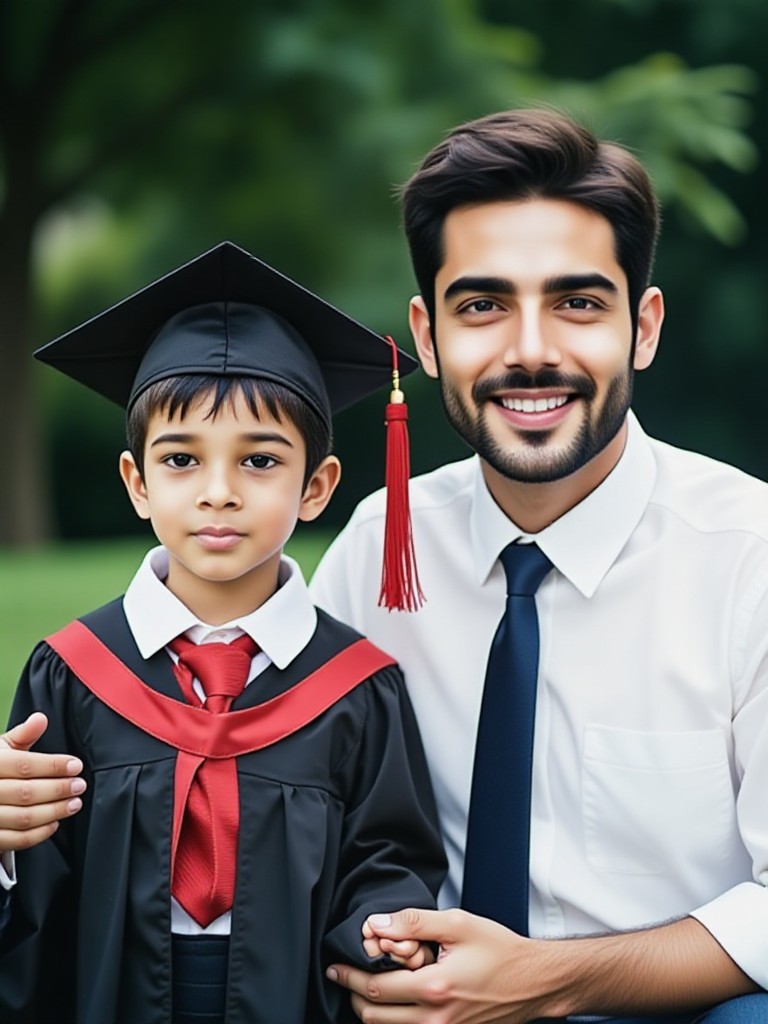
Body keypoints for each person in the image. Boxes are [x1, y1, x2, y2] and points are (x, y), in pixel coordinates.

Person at [308, 110, 768, 1022]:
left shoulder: (748, 556)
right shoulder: (378, 548)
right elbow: (255, 781)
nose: (529, 351)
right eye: (482, 306)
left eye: (577, 303)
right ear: (426, 335)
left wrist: (542, 983)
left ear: (642, 328)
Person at [0, 241, 446, 1024]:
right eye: (180, 459)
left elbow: (388, 856)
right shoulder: (70, 674)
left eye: (259, 461)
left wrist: (386, 932)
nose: (218, 493)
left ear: (316, 488)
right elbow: (39, 888)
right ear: (136, 483)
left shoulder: (359, 687)